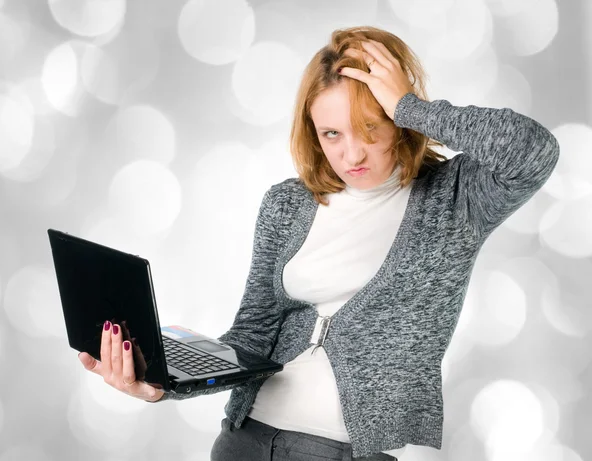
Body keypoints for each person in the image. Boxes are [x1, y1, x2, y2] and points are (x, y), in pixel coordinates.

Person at [77, 26, 560, 460]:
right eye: (332, 133)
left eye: (372, 127)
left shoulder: (457, 198)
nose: (352, 153)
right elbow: (251, 335)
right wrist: (160, 383)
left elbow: (534, 150)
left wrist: (413, 106)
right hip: (242, 440)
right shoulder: (286, 205)